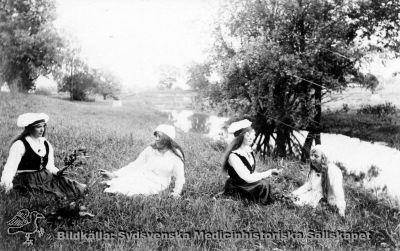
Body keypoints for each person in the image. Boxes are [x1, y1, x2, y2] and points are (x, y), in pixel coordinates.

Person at [0, 113, 87, 199]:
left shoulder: (45, 143)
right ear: (30, 128)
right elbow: (10, 168)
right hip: (28, 181)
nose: (42, 129)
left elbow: (49, 165)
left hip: (46, 177)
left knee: (76, 187)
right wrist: (6, 187)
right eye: (38, 127)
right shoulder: (20, 144)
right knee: (52, 197)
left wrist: (57, 172)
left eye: (43, 126)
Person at [100, 124, 185, 197]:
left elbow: (180, 176)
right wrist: (114, 174)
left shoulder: (175, 155)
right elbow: (136, 164)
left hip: (159, 183)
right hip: (143, 174)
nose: (156, 139)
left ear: (167, 140)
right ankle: (113, 180)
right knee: (123, 181)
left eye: (160, 137)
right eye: (156, 136)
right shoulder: (150, 149)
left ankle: (115, 184)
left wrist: (176, 192)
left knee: (132, 190)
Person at [221, 119, 281, 204]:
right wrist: (268, 172)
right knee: (262, 185)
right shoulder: (234, 155)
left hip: (245, 184)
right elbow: (247, 178)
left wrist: (268, 173)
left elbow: (251, 173)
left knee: (264, 183)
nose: (251, 137)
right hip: (237, 186)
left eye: (251, 134)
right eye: (247, 135)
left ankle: (262, 201)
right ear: (240, 137)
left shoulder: (248, 151)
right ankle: (247, 200)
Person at [291, 145, 346, 217]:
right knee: (295, 202)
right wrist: (294, 193)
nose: (312, 158)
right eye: (311, 155)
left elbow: (338, 191)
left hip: (326, 199)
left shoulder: (332, 171)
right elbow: (308, 185)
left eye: (316, 156)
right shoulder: (314, 171)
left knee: (318, 212)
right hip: (313, 196)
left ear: (323, 158)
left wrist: (341, 209)